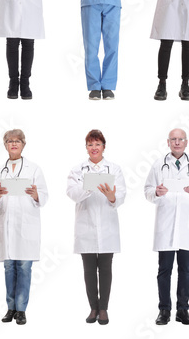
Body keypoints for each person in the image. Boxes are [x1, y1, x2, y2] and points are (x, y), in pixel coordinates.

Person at [144, 128, 189, 325]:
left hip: (186, 227)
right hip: (165, 226)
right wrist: (156, 192)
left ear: (186, 142)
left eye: (180, 139)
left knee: (186, 270)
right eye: (173, 139)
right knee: (164, 270)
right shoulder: (159, 165)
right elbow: (147, 190)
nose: (176, 142)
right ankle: (164, 311)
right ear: (168, 142)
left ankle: (183, 310)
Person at [0, 129, 49, 325]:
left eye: (17, 141)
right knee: (9, 268)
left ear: (23, 144)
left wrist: (35, 194)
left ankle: (21, 310)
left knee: (24, 268)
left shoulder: (34, 169)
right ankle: (10, 308)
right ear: (5, 145)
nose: (13, 144)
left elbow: (44, 196)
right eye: (10, 141)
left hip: (26, 226)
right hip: (6, 226)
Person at [65, 130, 126, 325]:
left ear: (104, 147)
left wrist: (112, 197)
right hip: (86, 227)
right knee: (89, 271)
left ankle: (104, 309)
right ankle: (93, 308)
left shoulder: (114, 169)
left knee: (106, 270)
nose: (94, 148)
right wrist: (88, 187)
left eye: (97, 144)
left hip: (107, 227)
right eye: (90, 145)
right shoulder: (78, 170)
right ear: (86, 148)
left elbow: (121, 194)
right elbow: (72, 193)